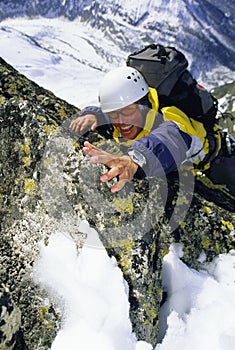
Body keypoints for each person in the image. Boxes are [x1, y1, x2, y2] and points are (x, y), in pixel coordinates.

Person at [70, 66, 235, 205]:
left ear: (144, 104)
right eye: (114, 114)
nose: (121, 122)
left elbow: (172, 138)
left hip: (217, 160)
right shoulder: (125, 115)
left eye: (128, 111)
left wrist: (135, 159)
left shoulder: (169, 115)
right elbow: (109, 114)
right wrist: (92, 114)